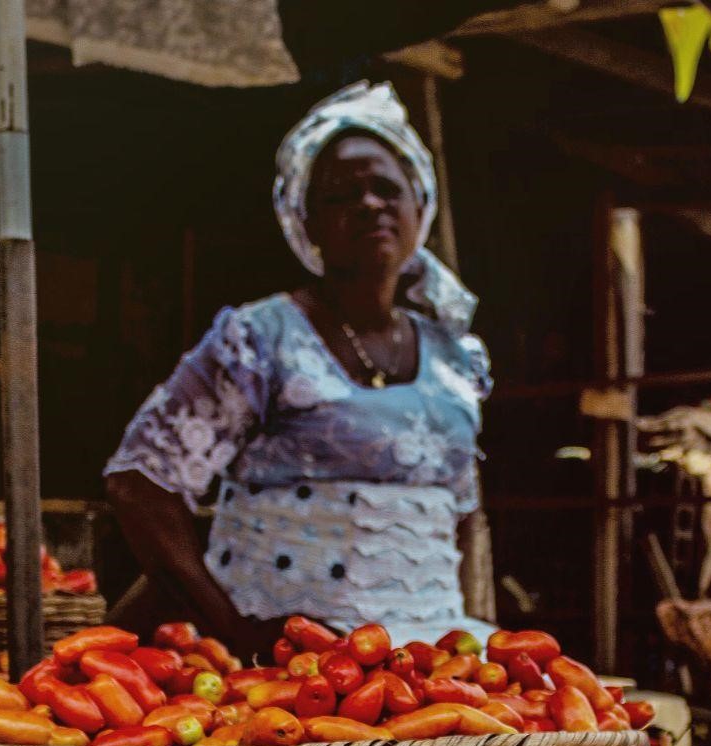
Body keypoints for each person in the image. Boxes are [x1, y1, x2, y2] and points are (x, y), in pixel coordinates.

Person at [105, 82, 494, 655]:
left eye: (387, 188)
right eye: (340, 195)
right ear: (303, 220)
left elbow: (460, 514)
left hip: (425, 654)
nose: (369, 205)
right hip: (284, 659)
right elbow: (139, 486)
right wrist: (233, 629)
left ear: (420, 205)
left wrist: (464, 629)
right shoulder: (259, 340)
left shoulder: (458, 358)